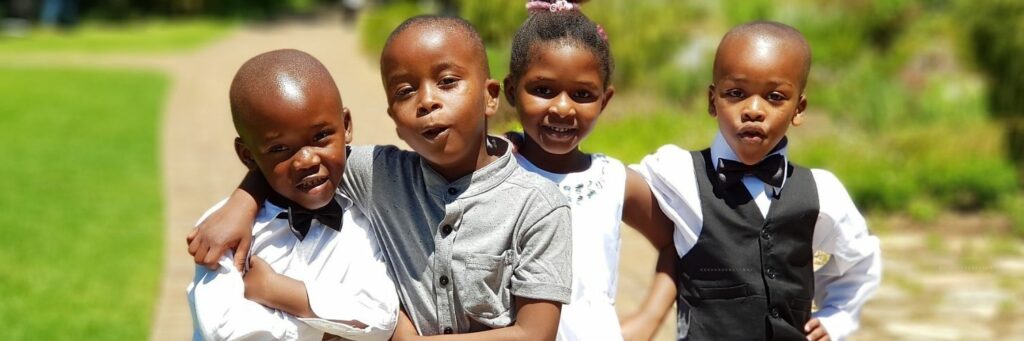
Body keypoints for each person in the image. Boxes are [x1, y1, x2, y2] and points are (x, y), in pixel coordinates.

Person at [187, 16, 573, 340]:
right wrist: (241, 203)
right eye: (406, 91)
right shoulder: (379, 174)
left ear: (490, 96)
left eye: (448, 82)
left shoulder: (539, 206)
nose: (427, 101)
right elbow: (299, 161)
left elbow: (533, 334)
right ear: (393, 119)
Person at [633, 21, 882, 341]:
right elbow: (605, 184)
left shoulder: (822, 191)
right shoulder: (676, 172)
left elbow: (861, 261)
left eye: (774, 97)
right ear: (712, 101)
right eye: (736, 94)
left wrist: (836, 317)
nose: (753, 110)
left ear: (799, 108)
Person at [186, 49, 398, 341]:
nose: (306, 160)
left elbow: (380, 317)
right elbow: (228, 331)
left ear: (346, 126)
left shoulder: (363, 218)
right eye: (279, 149)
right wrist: (325, 333)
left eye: (321, 136)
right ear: (247, 156)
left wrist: (277, 291)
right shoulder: (224, 229)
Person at [502, 1, 676, 340]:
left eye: (582, 94)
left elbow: (676, 244)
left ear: (604, 100)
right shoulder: (495, 167)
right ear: (511, 90)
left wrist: (647, 320)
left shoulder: (613, 181)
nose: (563, 108)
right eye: (543, 90)